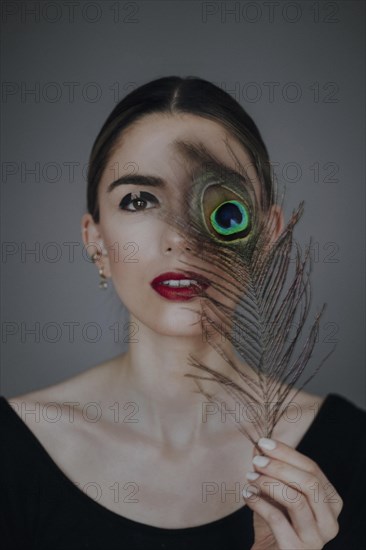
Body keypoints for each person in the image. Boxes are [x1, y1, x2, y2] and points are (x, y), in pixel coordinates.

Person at [1, 76, 365, 550]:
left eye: (223, 205)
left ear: (269, 235)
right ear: (96, 241)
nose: (182, 239)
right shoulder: (11, 453)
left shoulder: (351, 452)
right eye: (139, 200)